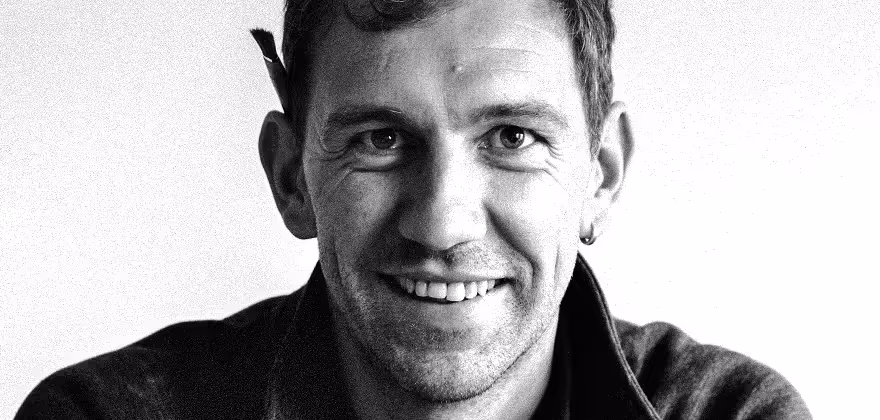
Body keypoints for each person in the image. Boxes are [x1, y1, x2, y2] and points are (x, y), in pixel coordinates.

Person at [15, 0, 812, 418]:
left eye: (512, 136)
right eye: (381, 139)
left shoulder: (730, 415)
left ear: (599, 177)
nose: (441, 223)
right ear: (292, 178)